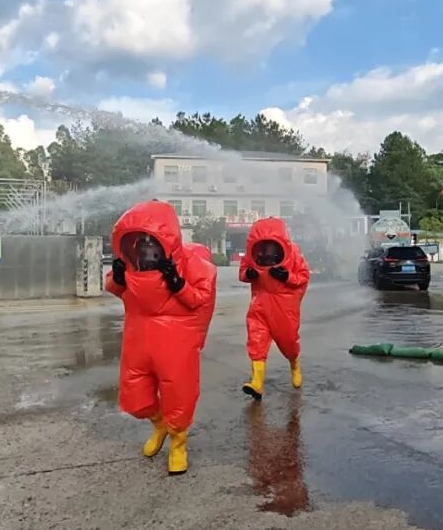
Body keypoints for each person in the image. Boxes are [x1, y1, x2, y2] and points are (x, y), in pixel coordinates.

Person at [106, 201, 217, 475]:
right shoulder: (131, 265)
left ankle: (178, 443)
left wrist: (178, 284)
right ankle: (160, 425)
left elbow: (200, 298)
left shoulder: (192, 264)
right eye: (142, 245)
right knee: (135, 396)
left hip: (176, 340)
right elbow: (115, 287)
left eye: (152, 244)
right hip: (138, 337)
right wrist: (117, 278)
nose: (148, 251)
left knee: (178, 393)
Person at [238, 217, 310, 399]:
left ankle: (294, 364)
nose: (267, 251)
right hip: (260, 303)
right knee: (256, 341)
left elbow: (303, 277)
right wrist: (248, 274)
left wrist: (287, 277)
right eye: (263, 246)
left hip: (284, 306)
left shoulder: (294, 253)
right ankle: (257, 382)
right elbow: (242, 273)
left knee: (288, 342)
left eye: (271, 245)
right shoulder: (252, 254)